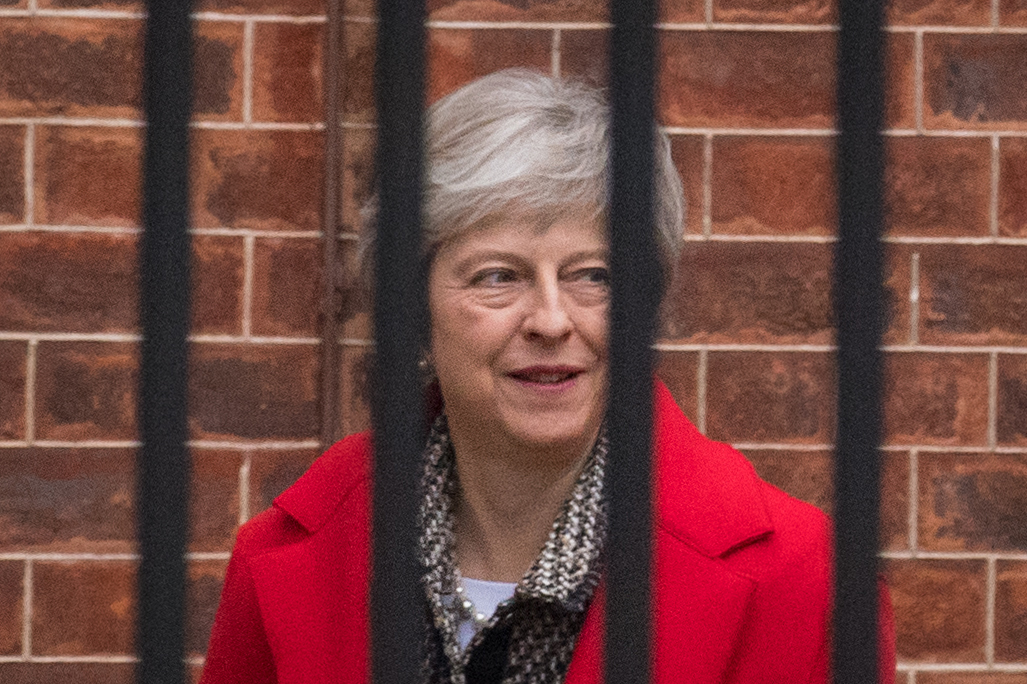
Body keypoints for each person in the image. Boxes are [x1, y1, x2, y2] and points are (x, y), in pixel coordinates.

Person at [200, 69, 895, 684]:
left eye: (591, 275)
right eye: (497, 276)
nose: (551, 319)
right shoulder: (284, 557)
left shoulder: (807, 580)